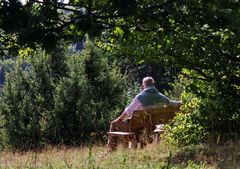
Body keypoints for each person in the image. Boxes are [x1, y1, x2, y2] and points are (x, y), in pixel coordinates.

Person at [107, 76, 170, 150]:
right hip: (153, 127)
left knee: (114, 124)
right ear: (153, 84)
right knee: (136, 125)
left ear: (143, 86)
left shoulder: (140, 97)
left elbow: (128, 111)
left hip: (138, 127)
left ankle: (111, 149)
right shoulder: (162, 97)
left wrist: (119, 119)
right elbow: (170, 104)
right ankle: (134, 146)